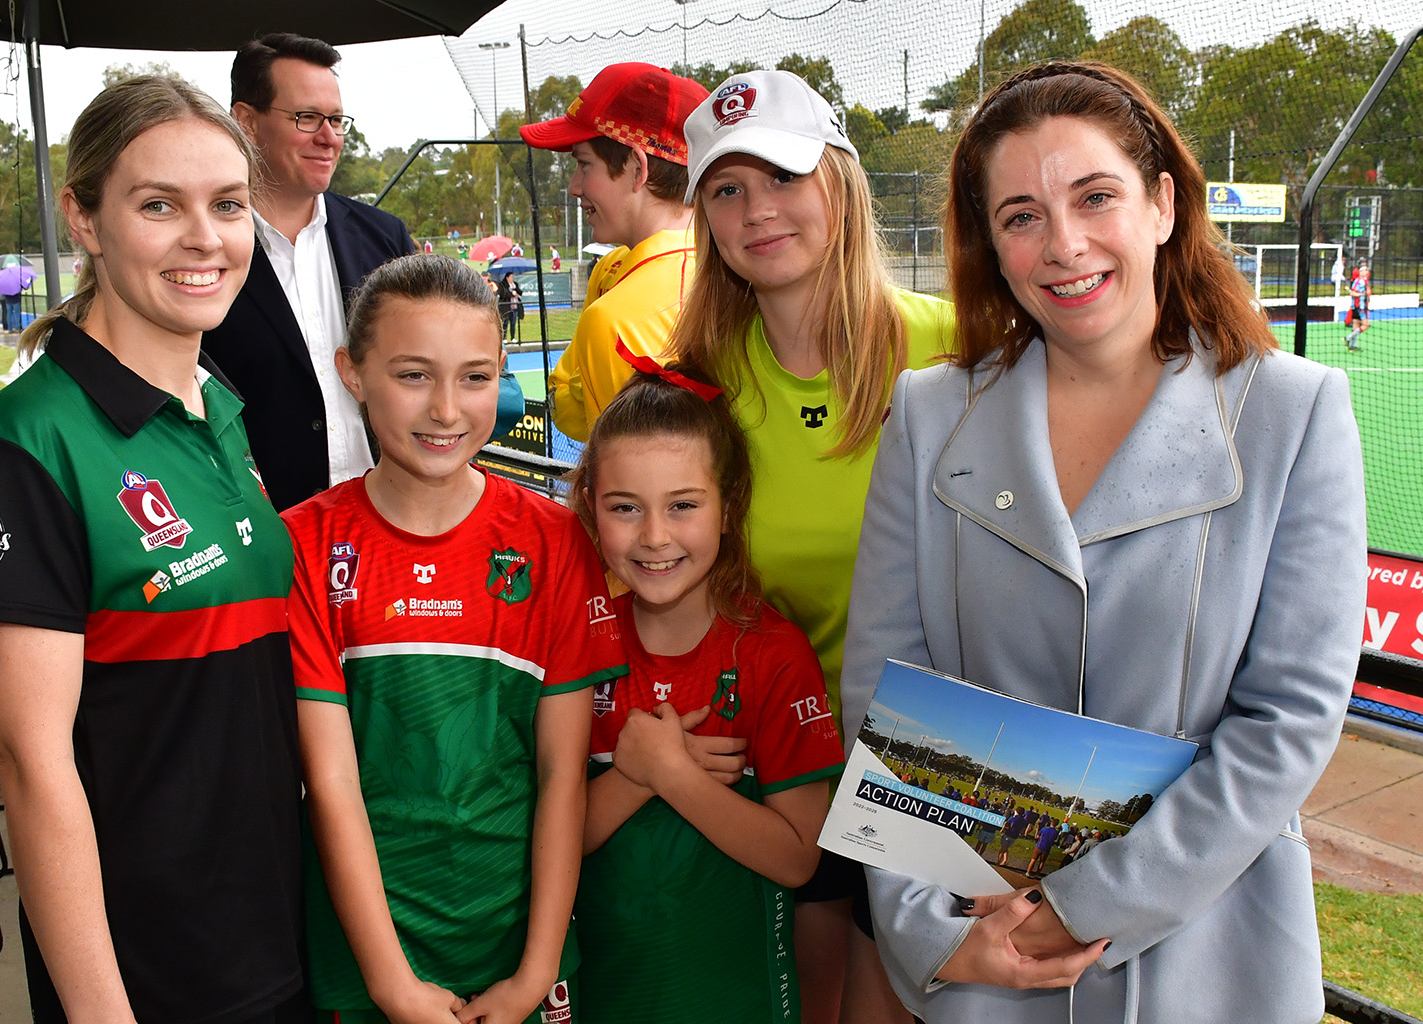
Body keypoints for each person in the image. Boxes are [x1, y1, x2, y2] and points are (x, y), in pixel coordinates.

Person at [841, 61, 1365, 1024]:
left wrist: (1077, 910)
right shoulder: (927, 414)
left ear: (1164, 204)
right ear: (992, 245)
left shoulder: (1294, 414)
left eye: (1096, 197)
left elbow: (1287, 720)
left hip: (1213, 962)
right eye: (1021, 216)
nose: (1064, 244)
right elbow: (884, 684)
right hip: (983, 954)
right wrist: (933, 930)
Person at [0, 77, 306, 1024]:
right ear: (86, 217)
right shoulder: (28, 444)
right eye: (160, 205)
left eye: (228, 205)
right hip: (154, 963)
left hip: (276, 923)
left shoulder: (218, 397)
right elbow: (31, 765)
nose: (207, 238)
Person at [669, 69, 952, 1024]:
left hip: (936, 771)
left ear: (841, 181)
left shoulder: (956, 353)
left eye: (784, 177)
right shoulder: (695, 386)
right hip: (781, 771)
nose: (758, 212)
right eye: (727, 189)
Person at [284, 254, 626, 1024]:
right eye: (413, 375)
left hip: (520, 948)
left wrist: (536, 970)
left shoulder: (554, 541)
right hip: (368, 953)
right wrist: (388, 982)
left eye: (474, 378)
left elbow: (562, 777)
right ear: (352, 372)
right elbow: (331, 783)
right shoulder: (305, 547)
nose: (446, 409)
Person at [567, 354, 845, 1022]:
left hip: (743, 1001)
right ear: (590, 508)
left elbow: (799, 859)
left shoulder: (772, 656)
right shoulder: (575, 645)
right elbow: (547, 842)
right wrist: (634, 777)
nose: (655, 536)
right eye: (625, 508)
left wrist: (672, 774)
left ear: (729, 508)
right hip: (607, 997)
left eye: (683, 506)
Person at [202, 32, 524, 512]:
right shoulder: (205, 251)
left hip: (388, 522)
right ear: (246, 122)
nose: (328, 137)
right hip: (262, 526)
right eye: (306, 118)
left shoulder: (383, 237)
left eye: (336, 120)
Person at [519, 63, 709, 441]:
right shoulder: (741, 268)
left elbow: (572, 417)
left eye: (584, 164)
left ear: (637, 168)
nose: (575, 186)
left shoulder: (615, 317)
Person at [1344, 257, 1371, 351]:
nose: (1367, 272)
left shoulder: (1364, 281)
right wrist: (1361, 294)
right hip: (1359, 306)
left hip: (1360, 305)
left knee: (1356, 325)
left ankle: (1353, 345)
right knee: (1365, 325)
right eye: (1365, 270)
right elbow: (1352, 293)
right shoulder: (1359, 281)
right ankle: (1348, 338)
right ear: (1361, 272)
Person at [499, 271, 523, 343]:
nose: (512, 278)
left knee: (513, 323)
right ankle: (504, 338)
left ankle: (513, 337)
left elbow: (520, 293)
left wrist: (515, 288)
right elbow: (502, 294)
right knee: (505, 323)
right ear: (507, 277)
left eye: (513, 277)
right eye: (511, 277)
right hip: (506, 307)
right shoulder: (502, 285)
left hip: (515, 306)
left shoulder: (515, 284)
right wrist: (511, 293)